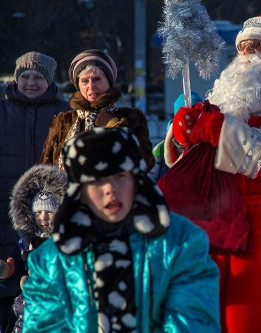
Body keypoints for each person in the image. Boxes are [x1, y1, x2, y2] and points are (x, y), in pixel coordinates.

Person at [165, 15, 261, 333]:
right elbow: (195, 158)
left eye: (257, 46)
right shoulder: (225, 99)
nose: (248, 53)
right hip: (224, 225)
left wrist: (216, 129)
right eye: (242, 47)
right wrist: (184, 135)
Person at [22, 127, 220, 332]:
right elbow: (44, 326)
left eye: (119, 176)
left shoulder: (181, 243)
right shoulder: (50, 260)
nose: (110, 189)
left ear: (137, 180)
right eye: (97, 180)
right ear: (79, 191)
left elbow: (193, 321)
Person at [0, 51, 69, 330]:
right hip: (4, 216)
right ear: (16, 78)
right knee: (6, 287)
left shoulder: (64, 114)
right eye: (25, 76)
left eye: (38, 77)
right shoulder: (1, 112)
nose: (30, 82)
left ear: (49, 80)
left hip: (47, 218)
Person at [38, 49, 155, 172]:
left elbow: (145, 162)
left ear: (109, 82)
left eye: (97, 79)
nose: (91, 86)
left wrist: (115, 127)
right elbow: (46, 170)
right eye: (84, 81)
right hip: (68, 190)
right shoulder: (62, 121)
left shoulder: (131, 117)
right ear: (78, 85)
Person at [0, 164, 66, 333]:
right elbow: (16, 276)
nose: (43, 217)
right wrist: (8, 272)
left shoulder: (66, 242)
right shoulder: (26, 243)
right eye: (38, 213)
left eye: (49, 212)